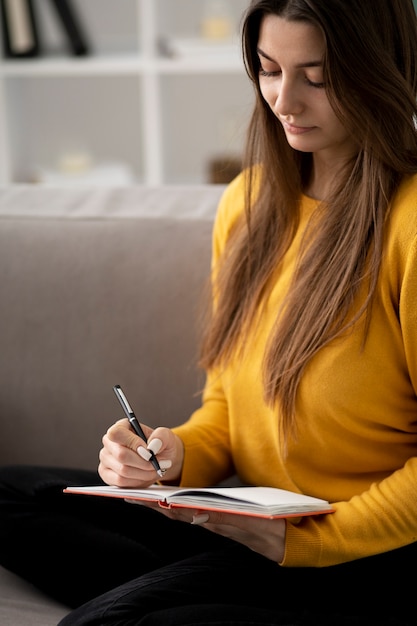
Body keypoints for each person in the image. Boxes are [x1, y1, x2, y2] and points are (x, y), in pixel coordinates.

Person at [1, 0, 417, 624]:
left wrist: (306, 542)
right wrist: (169, 455)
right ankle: (206, 592)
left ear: (382, 71)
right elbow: (227, 407)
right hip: (245, 526)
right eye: (269, 69)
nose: (285, 101)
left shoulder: (409, 224)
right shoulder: (248, 205)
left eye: (318, 77)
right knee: (10, 488)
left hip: (361, 551)